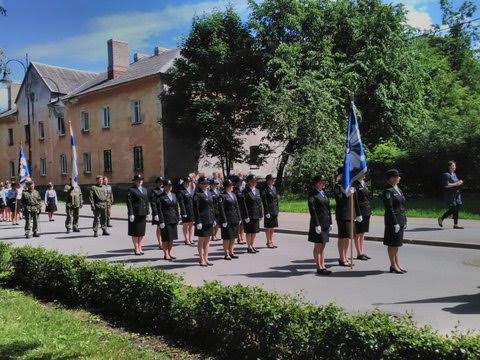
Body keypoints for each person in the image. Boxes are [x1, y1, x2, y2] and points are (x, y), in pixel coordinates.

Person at [383, 169, 407, 274]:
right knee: (392, 244)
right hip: (393, 221)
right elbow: (390, 208)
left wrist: (405, 220)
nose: (399, 178)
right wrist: (395, 222)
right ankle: (393, 265)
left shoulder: (397, 189)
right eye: (397, 176)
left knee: (397, 244)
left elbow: (402, 206)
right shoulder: (388, 191)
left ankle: (397, 264)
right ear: (392, 178)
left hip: (400, 219)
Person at [308, 175, 333, 275]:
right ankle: (319, 267)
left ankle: (323, 265)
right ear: (317, 183)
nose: (324, 183)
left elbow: (328, 209)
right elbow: (312, 210)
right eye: (322, 182)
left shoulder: (323, 193)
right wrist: (316, 224)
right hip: (317, 223)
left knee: (323, 245)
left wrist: (330, 222)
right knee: (318, 246)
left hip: (325, 222)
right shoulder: (312, 194)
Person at [333, 167, 354, 267]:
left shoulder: (350, 185)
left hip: (350, 214)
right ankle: (342, 258)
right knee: (342, 237)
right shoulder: (338, 186)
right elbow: (339, 199)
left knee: (348, 237)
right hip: (342, 214)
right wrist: (347, 193)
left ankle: (346, 257)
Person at [193, 176, 215, 266]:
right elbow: (196, 209)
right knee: (201, 240)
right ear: (200, 184)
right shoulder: (197, 194)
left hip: (209, 219)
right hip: (202, 220)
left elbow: (212, 207)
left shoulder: (209, 193)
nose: (205, 185)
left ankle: (206, 258)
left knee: (207, 240)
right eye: (203, 184)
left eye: (206, 184)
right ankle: (201, 258)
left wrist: (213, 219)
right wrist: (198, 221)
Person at [218, 179, 241, 260]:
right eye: (230, 186)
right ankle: (226, 253)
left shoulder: (233, 195)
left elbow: (237, 207)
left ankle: (231, 251)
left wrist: (239, 217)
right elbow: (221, 209)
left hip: (234, 218)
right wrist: (224, 220)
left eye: (232, 185)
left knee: (233, 236)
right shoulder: (222, 196)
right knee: (227, 237)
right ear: (226, 187)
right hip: (227, 219)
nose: (232, 187)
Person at [127, 174, 149, 255]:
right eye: (138, 180)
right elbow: (129, 203)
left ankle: (140, 246)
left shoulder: (145, 190)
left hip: (143, 213)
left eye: (141, 180)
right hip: (135, 213)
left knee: (141, 232)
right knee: (135, 232)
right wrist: (131, 213)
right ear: (135, 181)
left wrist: (148, 212)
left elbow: (146, 202)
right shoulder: (131, 190)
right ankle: (136, 248)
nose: (140, 181)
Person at [157, 179, 180, 260]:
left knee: (172, 238)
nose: (170, 187)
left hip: (173, 219)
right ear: (164, 187)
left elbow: (176, 207)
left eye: (170, 186)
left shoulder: (174, 195)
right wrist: (161, 221)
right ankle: (166, 254)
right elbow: (159, 210)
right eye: (168, 186)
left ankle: (170, 253)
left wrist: (178, 217)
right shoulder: (161, 197)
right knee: (166, 238)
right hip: (165, 220)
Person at [241, 174, 263, 254]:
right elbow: (244, 205)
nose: (254, 183)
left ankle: (252, 245)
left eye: (255, 182)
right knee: (249, 231)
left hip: (256, 214)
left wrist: (261, 214)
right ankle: (249, 246)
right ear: (249, 182)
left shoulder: (257, 190)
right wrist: (246, 216)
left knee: (254, 231)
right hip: (249, 215)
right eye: (252, 182)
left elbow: (259, 203)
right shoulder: (245, 191)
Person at [438, 161, 464, 229]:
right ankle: (441, 218)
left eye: (455, 166)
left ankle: (456, 224)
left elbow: (456, 182)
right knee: (453, 209)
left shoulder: (454, 174)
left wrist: (460, 182)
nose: (454, 167)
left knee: (457, 209)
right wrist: (456, 184)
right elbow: (446, 185)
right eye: (453, 166)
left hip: (457, 195)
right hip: (450, 195)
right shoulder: (446, 174)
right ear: (449, 167)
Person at [353, 174, 372, 260]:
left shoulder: (363, 183)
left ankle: (362, 251)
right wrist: (358, 213)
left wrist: (369, 211)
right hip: (360, 211)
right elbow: (355, 200)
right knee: (358, 233)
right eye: (362, 173)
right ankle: (359, 253)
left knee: (363, 232)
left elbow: (367, 198)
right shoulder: (355, 184)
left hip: (366, 210)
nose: (364, 174)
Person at [261, 174, 279, 248]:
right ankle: (268, 241)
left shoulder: (274, 188)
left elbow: (276, 200)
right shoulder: (265, 189)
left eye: (273, 179)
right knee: (268, 227)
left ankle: (271, 240)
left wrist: (278, 209)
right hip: (269, 211)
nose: (273, 181)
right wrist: (266, 212)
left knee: (272, 227)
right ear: (268, 181)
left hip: (274, 210)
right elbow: (264, 202)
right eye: (271, 180)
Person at [177, 176, 195, 245]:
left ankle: (190, 238)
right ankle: (186, 239)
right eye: (186, 182)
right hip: (185, 210)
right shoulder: (181, 191)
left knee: (191, 225)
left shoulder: (191, 190)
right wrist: (183, 212)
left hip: (192, 210)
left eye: (189, 182)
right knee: (185, 225)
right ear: (184, 183)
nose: (188, 183)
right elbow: (181, 202)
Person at [150, 177, 165, 250]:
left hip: (165, 212)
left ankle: (164, 242)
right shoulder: (154, 191)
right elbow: (153, 203)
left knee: (165, 228)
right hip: (158, 212)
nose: (161, 183)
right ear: (157, 183)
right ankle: (160, 243)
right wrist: (155, 213)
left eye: (162, 182)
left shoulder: (166, 190)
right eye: (159, 182)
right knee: (159, 228)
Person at [233, 176, 246, 244]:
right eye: (240, 182)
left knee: (242, 225)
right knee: (239, 224)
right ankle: (239, 238)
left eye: (242, 181)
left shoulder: (243, 189)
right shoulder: (234, 190)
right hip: (237, 209)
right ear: (237, 182)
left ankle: (242, 237)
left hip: (243, 209)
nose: (241, 183)